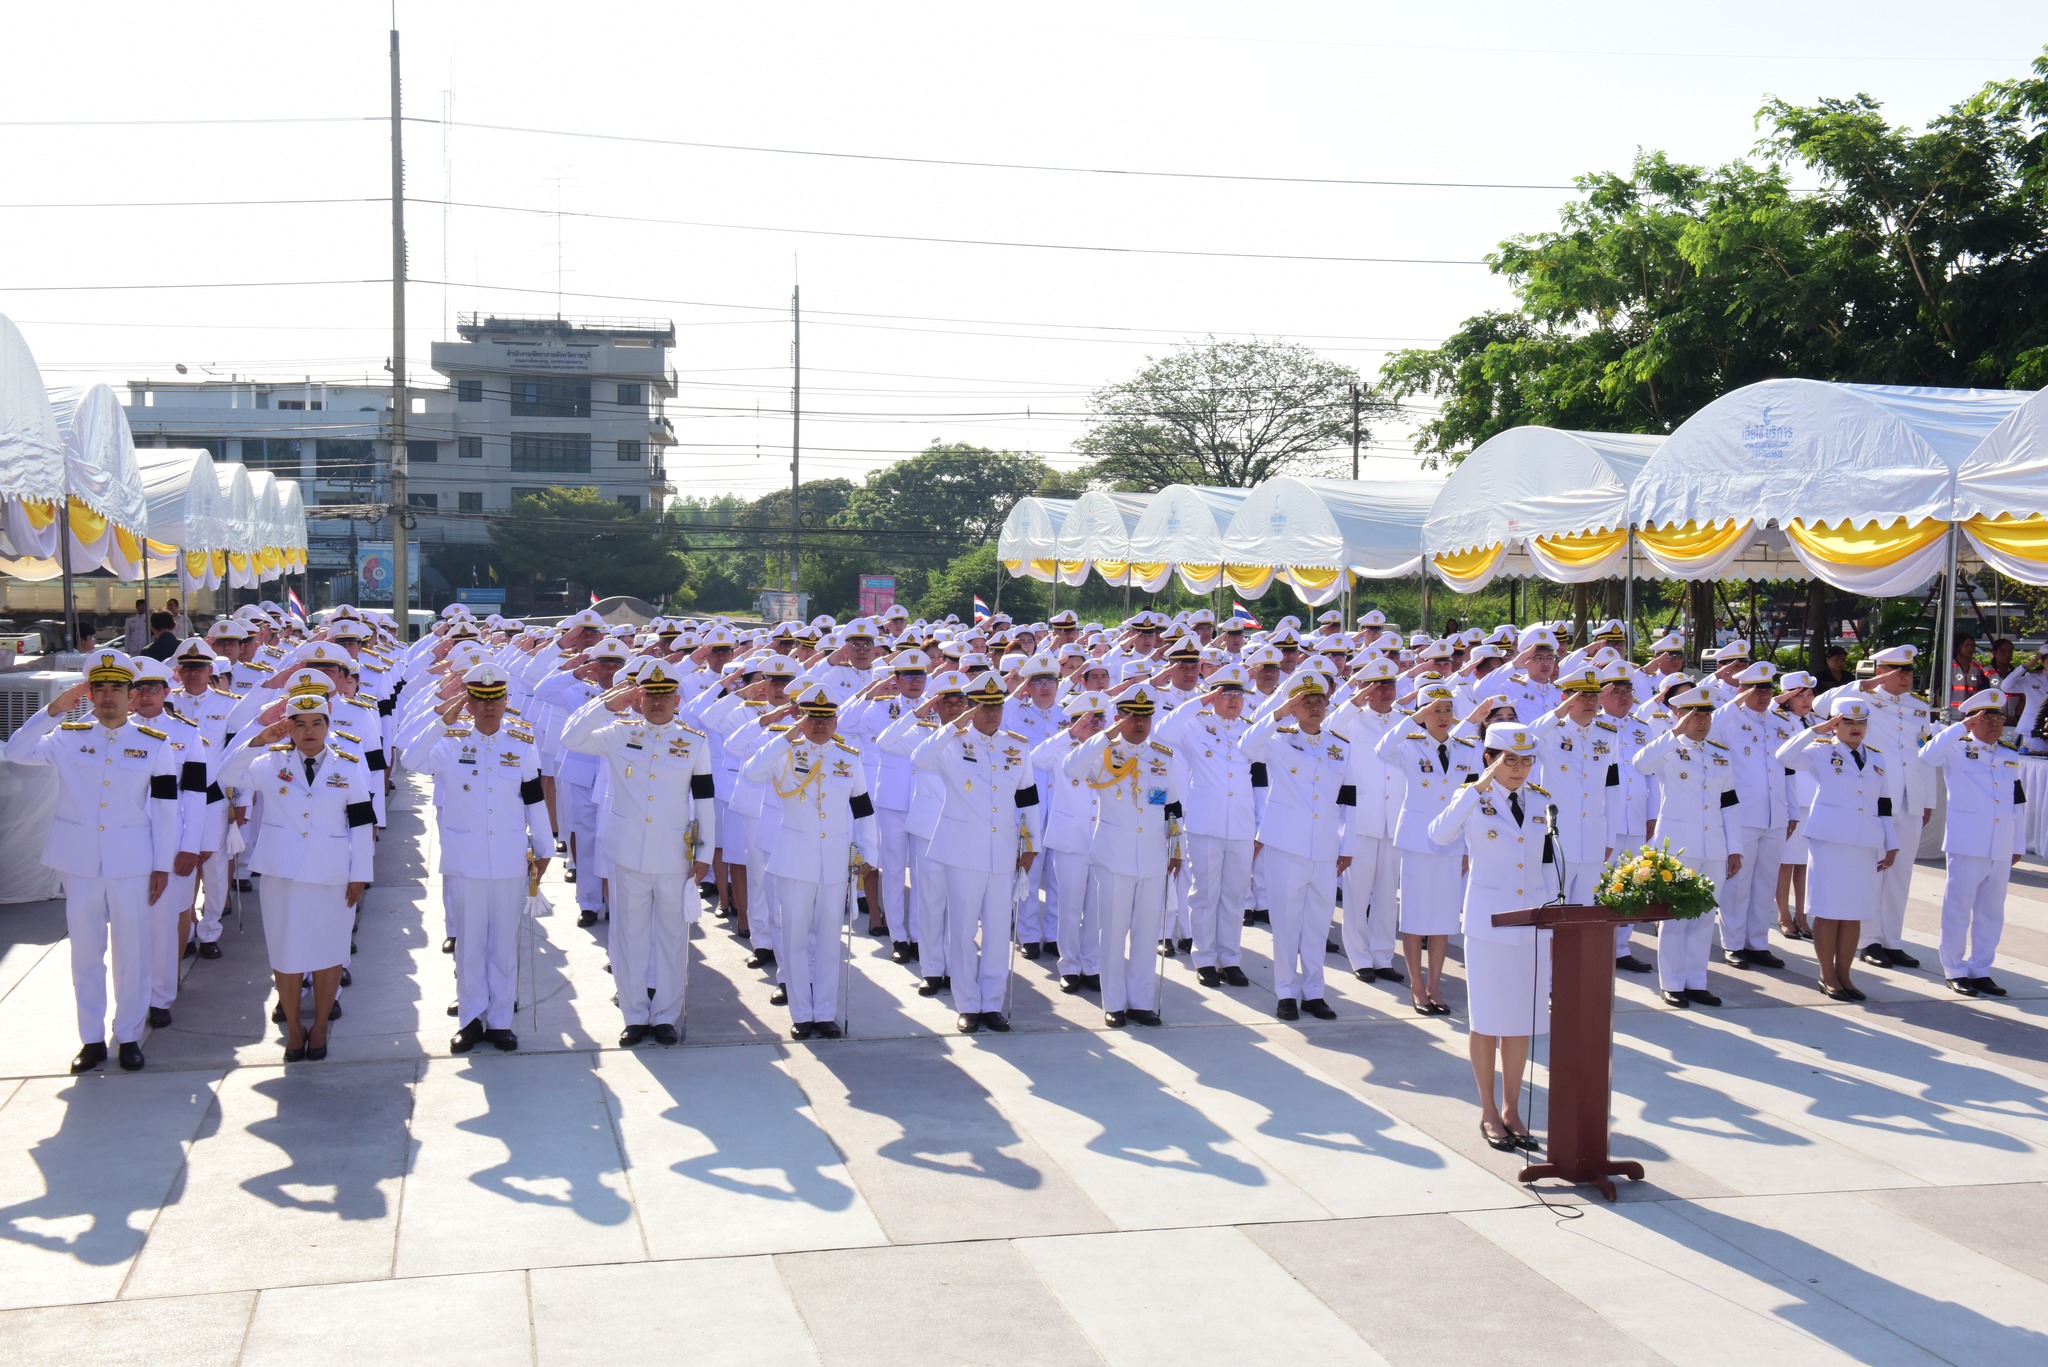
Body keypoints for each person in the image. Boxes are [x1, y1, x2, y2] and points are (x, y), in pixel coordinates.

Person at [4, 650, 198, 1073]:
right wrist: (53, 710)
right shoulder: (67, 736)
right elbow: (16, 751)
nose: (108, 697)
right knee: (85, 952)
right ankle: (91, 1039)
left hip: (133, 863)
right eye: (100, 688)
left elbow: (167, 809)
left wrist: (162, 865)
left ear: (132, 695)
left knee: (133, 951)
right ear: (88, 693)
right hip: (79, 862)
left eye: (117, 689)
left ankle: (129, 1035)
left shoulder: (154, 745)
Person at [560, 659, 716, 1047]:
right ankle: (634, 1014)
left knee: (671, 938)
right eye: (649, 694)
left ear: (677, 699)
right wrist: (609, 701)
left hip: (674, 854)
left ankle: (665, 1015)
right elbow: (570, 739)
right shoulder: (616, 733)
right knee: (628, 936)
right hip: (627, 852)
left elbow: (706, 801)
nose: (657, 702)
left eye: (665, 695)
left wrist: (705, 853)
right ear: (637, 698)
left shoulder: (694, 741)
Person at [217, 692, 375, 1061]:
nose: (308, 731)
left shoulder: (349, 765)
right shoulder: (267, 763)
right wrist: (257, 739)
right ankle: (293, 1028)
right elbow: (225, 776)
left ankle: (319, 1026)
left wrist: (360, 874)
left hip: (332, 872)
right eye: (299, 724)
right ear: (288, 728)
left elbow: (362, 822)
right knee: (285, 954)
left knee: (329, 952)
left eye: (316, 723)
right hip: (282, 873)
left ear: (328, 724)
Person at [1427, 722, 1552, 1153]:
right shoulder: (1472, 798)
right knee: (1487, 1021)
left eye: (1527, 760)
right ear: (1489, 760)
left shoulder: (1541, 802)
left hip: (1531, 923)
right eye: (1509, 760)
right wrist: (1474, 790)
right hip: (1488, 923)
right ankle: (1486, 1108)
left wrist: (1557, 912)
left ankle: (1512, 1107)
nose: (1520, 769)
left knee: (1519, 1022)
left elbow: (1550, 864)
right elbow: (1438, 835)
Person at [419, 664, 553, 1053]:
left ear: (506, 701)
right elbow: (412, 758)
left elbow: (534, 799)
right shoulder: (449, 744)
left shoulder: (522, 744)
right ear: (469, 703)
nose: (489, 708)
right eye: (480, 700)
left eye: (496, 700)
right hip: (466, 862)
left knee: (503, 944)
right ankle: (471, 1019)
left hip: (510, 859)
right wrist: (444, 716)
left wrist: (543, 848)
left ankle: (500, 1022)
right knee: (469, 944)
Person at [741, 683, 878, 1040]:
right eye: (811, 717)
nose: (819, 724)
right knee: (794, 938)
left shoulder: (849, 757)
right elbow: (752, 772)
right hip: (793, 861)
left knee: (830, 939)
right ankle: (801, 1013)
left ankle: (825, 1013)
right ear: (801, 718)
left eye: (826, 718)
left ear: (835, 721)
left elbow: (863, 811)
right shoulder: (784, 752)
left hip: (834, 861)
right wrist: (787, 736)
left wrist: (868, 854)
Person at [911, 671, 1043, 1033]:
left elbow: (1028, 799)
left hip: (1003, 853)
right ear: (971, 708)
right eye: (984, 706)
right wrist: (953, 725)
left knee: (999, 932)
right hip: (962, 852)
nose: (992, 713)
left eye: (997, 705)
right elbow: (920, 760)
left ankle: (992, 1004)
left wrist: (1032, 844)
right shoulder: (951, 742)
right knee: (964, 930)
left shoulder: (1016, 746)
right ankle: (968, 1003)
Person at [1064, 684, 1184, 1027]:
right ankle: (1114, 1002)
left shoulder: (1163, 756)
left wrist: (1176, 849)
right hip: (1113, 856)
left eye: (1145, 716)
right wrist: (1104, 736)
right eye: (1132, 715)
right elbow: (1071, 768)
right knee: (1113, 932)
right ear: (1119, 718)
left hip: (1152, 856)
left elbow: (1173, 807)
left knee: (1147, 934)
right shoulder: (1103, 754)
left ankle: (1141, 1001)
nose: (1140, 722)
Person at [1239, 671, 1354, 1022]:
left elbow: (1349, 799)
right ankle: (1286, 991)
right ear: (1294, 706)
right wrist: (1277, 712)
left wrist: (1347, 845)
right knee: (1287, 922)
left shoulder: (1340, 746)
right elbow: (1246, 746)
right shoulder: (1277, 739)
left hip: (1323, 848)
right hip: (1285, 845)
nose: (1315, 707)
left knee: (1318, 924)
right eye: (1307, 702)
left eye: (1320, 701)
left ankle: (1314, 991)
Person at [1775, 693, 1898, 1001]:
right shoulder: (1819, 752)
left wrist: (1891, 842)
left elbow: (1883, 804)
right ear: (1834, 725)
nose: (1855, 728)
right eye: (1847, 722)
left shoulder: (1878, 758)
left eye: (1860, 722)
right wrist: (1815, 731)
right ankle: (1826, 974)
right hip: (1830, 841)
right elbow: (1783, 757)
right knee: (1829, 911)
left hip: (1864, 842)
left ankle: (1845, 975)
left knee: (1853, 912)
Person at [1629, 688, 1742, 1007]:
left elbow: (1729, 802)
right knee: (1676, 916)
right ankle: (1672, 982)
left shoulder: (1719, 752)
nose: (1703, 722)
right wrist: (1674, 733)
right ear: (1680, 716)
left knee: (1705, 917)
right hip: (1678, 845)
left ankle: (1696, 980)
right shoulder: (1668, 749)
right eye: (1695, 715)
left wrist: (1735, 848)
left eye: (1706, 715)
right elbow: (1640, 763)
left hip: (1715, 846)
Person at [1822, 644, 1930, 971]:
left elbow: (1921, 756)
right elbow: (1820, 704)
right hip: (1876, 798)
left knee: (1901, 873)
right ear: (1882, 670)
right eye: (1899, 671)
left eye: (1909, 671)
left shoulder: (1918, 707)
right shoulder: (1863, 700)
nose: (1906, 677)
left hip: (1909, 799)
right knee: (1875, 870)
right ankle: (1869, 939)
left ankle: (1892, 940)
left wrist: (1927, 800)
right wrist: (1863, 684)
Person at [1375, 681, 1480, 1014]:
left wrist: (1468, 846)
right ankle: (1417, 987)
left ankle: (1435, 985)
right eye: (1435, 710)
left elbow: (1473, 799)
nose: (1443, 716)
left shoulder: (1466, 748)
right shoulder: (1409, 745)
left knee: (1444, 919)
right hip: (1419, 841)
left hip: (1451, 842)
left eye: (1448, 709)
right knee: (1416, 917)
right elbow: (1382, 750)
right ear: (1422, 714)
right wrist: (1411, 720)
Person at [1154, 664, 1258, 989]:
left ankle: (1230, 958)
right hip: (1205, 823)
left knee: (1235, 896)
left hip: (1241, 825)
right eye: (1226, 694)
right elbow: (1162, 732)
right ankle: (1205, 958)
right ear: (1213, 696)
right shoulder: (1195, 727)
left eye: (1238, 695)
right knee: (1205, 894)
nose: (1233, 701)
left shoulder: (1249, 730)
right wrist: (1199, 702)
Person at [1918, 690, 2023, 998]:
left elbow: (2017, 802)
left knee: (1992, 911)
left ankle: (1981, 969)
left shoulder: (2008, 754)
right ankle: (1954, 969)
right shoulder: (1956, 748)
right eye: (1986, 719)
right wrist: (1961, 727)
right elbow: (1926, 756)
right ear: (1972, 721)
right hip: (1967, 842)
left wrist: (2017, 842)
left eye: (1998, 719)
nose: (1994, 725)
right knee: (1958, 908)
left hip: (2000, 843)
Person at [1709, 662, 1794, 971]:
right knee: (1737, 883)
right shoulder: (1729, 719)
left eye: (1768, 689)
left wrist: (1793, 810)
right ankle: (1732, 944)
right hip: (1742, 814)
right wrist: (1736, 702)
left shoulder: (1780, 722)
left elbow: (1789, 769)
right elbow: (1713, 725)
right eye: (1756, 690)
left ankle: (1757, 942)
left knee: (1765, 882)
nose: (1764, 695)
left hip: (1776, 813)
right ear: (1742, 691)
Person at [1331, 656, 1407, 985]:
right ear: (1364, 689)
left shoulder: (1404, 720)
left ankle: (1382, 955)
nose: (1387, 692)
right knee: (1358, 892)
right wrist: (1352, 702)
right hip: (1361, 817)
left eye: (1390, 685)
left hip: (1395, 819)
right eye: (1378, 686)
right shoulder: (1352, 721)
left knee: (1388, 894)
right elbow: (1329, 728)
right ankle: (1360, 956)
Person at [1033, 690, 1107, 995]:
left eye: (1098, 718)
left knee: (1098, 908)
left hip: (1103, 838)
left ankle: (1092, 965)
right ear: (1074, 722)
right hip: (1069, 838)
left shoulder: (1113, 748)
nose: (1093, 725)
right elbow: (1036, 758)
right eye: (1086, 720)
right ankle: (1069, 966)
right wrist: (1069, 735)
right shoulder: (1062, 748)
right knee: (1069, 906)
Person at [1772, 671, 1820, 940]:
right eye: (1799, 695)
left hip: (1813, 798)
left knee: (1804, 863)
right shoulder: (1778, 721)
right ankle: (1784, 914)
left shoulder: (1814, 721)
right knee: (1786, 862)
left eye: (1809, 694)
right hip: (1791, 798)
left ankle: (1802, 914)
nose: (1806, 700)